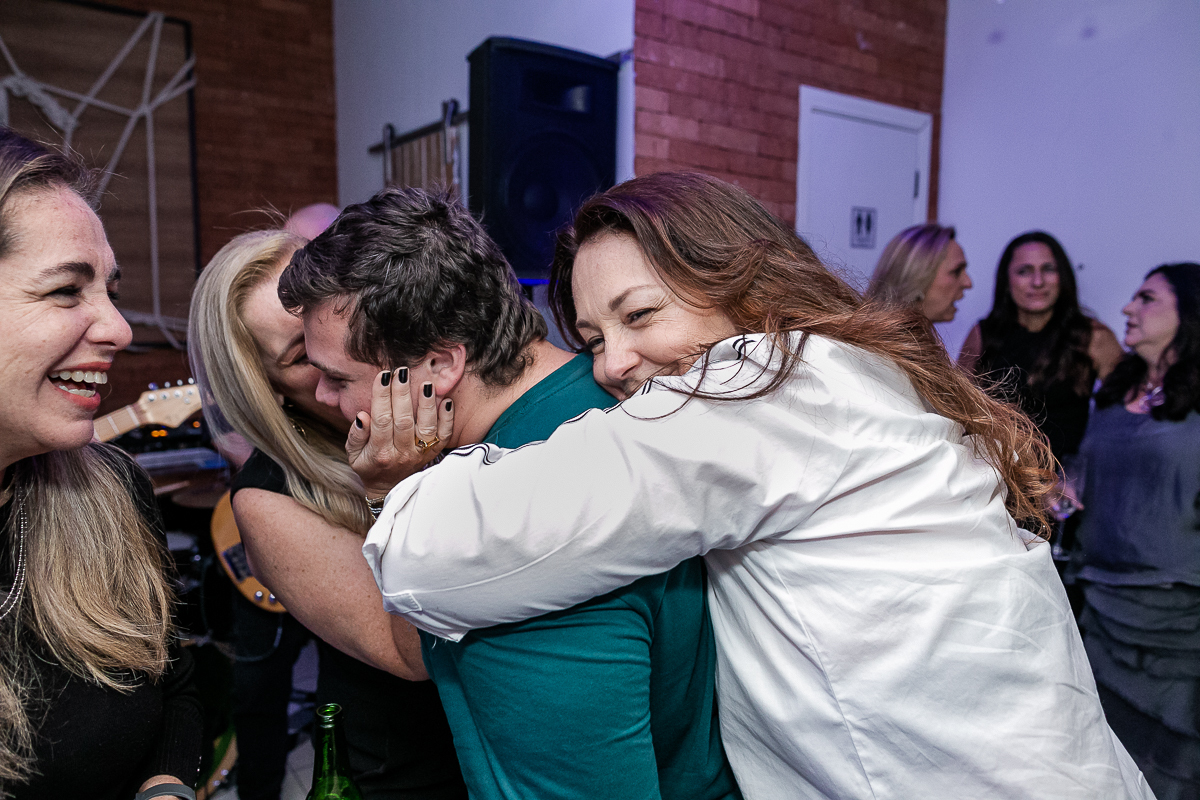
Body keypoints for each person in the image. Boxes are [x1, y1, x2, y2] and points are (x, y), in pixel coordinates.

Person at [361, 172, 1153, 799]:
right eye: (595, 338)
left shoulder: (759, 388)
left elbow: (439, 557)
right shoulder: (838, 366)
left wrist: (402, 479)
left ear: (741, 283)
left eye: (640, 315)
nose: (611, 363)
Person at [277, 186, 742, 800]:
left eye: (338, 378)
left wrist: (402, 499)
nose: (326, 401)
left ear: (441, 367)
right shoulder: (604, 396)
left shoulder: (503, 527)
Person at [188, 229, 466, 798]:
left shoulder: (443, 385)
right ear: (268, 391)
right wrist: (398, 489)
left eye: (342, 322)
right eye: (300, 355)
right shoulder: (267, 499)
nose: (342, 354)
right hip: (414, 767)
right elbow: (410, 655)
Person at [0, 128, 203, 799]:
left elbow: (171, 681)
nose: (117, 328)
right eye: (66, 290)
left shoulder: (111, 492)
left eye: (110, 290)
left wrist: (166, 787)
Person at [1070, 263, 1200, 799]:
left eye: (1146, 298)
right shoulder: (1116, 386)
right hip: (1100, 607)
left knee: (1169, 773)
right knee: (1102, 766)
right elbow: (1091, 470)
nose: (1127, 308)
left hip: (1175, 623)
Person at [958, 231, 1122, 461]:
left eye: (1048, 269)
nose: (1038, 282)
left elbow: (1126, 417)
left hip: (1065, 484)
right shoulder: (984, 334)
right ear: (1007, 280)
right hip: (996, 478)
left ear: (1063, 276)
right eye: (1024, 271)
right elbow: (956, 412)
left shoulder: (1092, 336)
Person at [867, 222, 972, 323]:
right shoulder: (883, 340)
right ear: (915, 277)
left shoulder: (914, 339)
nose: (968, 283)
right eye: (956, 271)